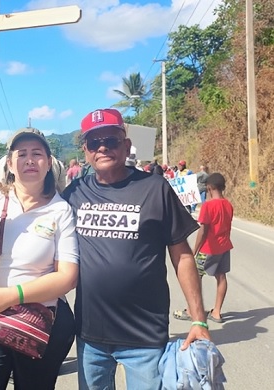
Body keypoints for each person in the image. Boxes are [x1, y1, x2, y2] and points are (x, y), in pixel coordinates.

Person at [59, 108, 210, 389]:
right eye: (94, 142)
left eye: (111, 140)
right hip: (91, 336)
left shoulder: (155, 188)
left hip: (145, 338)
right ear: (86, 151)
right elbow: (38, 220)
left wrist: (198, 320)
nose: (102, 147)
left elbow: (183, 256)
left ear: (126, 145)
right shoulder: (74, 193)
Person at [0, 128, 79, 390]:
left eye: (37, 154)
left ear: (49, 163)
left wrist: (12, 296)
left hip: (40, 324)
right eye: (21, 154)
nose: (30, 160)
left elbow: (67, 277)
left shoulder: (61, 210)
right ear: (10, 164)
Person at [174, 173, 233, 324]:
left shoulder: (208, 205)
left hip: (208, 248)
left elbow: (203, 230)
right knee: (221, 277)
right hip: (224, 247)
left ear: (209, 187)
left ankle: (191, 310)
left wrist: (195, 250)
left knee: (194, 277)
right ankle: (217, 312)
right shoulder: (228, 205)